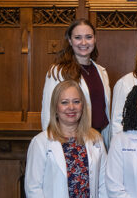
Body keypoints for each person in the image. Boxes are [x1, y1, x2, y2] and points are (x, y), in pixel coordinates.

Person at [25, 80, 113, 198]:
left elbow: (105, 185)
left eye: (76, 101)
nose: (71, 108)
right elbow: (33, 189)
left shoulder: (95, 139)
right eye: (64, 102)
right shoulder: (41, 142)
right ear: (55, 107)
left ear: (83, 106)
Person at [41, 19, 111, 147]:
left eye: (88, 37)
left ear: (94, 39)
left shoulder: (101, 71)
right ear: (70, 40)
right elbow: (48, 112)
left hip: (99, 139)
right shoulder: (58, 71)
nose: (83, 42)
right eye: (78, 37)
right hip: (71, 139)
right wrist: (50, 146)